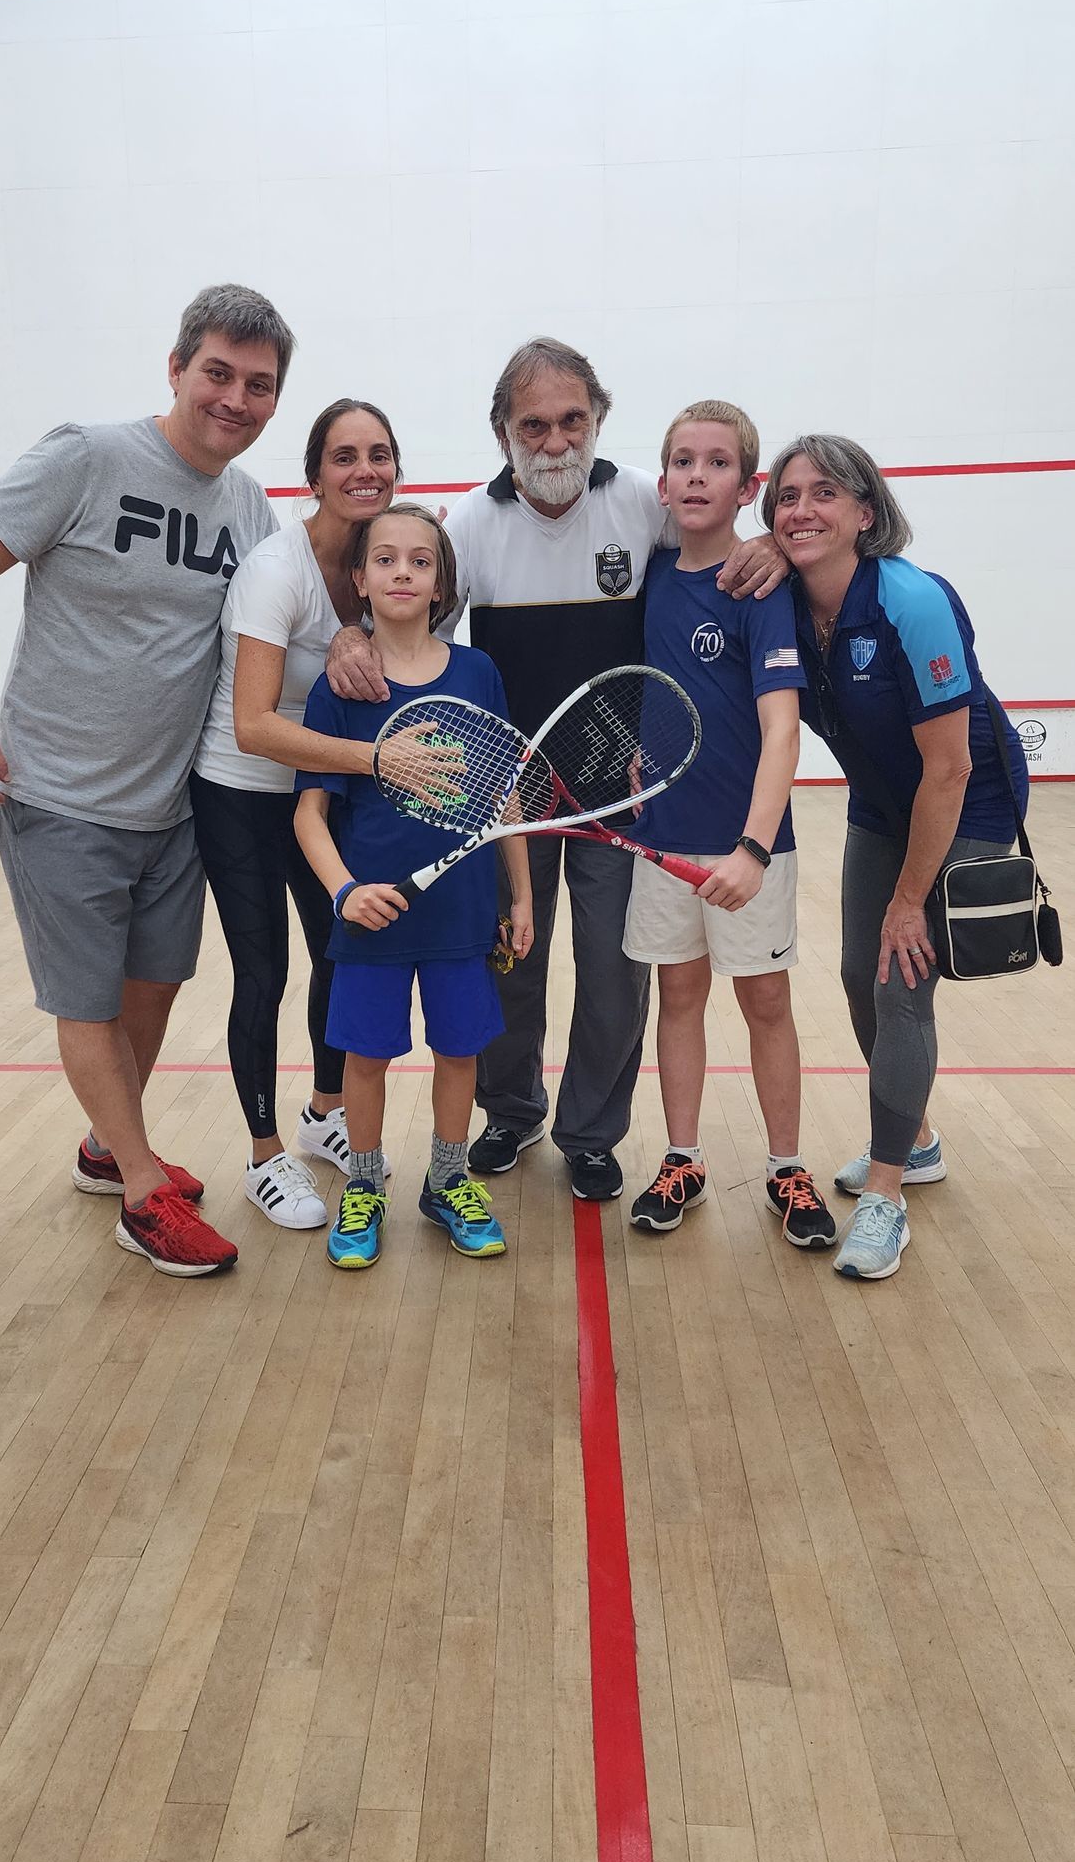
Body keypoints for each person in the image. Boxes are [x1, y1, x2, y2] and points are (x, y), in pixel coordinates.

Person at [325, 338, 787, 1204]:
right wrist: (350, 632)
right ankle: (508, 1111)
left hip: (624, 797)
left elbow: (716, 528)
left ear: (599, 420)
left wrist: (776, 551)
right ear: (502, 433)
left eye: (572, 420)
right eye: (532, 425)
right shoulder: (469, 524)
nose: (554, 442)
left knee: (616, 971)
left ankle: (591, 1133)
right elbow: (398, 592)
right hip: (508, 799)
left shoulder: (640, 504)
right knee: (509, 957)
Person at [0, 283, 295, 1279]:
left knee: (152, 988)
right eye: (217, 372)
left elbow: (284, 622)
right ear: (176, 368)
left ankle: (105, 1141)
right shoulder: (87, 457)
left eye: (257, 384)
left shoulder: (249, 505)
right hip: (57, 797)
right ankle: (141, 1189)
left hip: (172, 808)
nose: (234, 397)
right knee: (87, 1003)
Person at [762, 434, 1028, 1280]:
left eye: (823, 494)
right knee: (854, 973)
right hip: (882, 803)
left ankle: (886, 1197)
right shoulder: (787, 605)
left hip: (967, 800)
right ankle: (914, 1140)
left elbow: (949, 769)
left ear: (865, 513)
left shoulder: (913, 600)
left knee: (899, 978)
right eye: (787, 496)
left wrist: (911, 900)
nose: (801, 510)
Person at [294, 504, 533, 1270]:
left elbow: (505, 795)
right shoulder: (341, 683)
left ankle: (446, 1179)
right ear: (358, 580)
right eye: (386, 559)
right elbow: (309, 815)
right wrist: (342, 893)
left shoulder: (479, 672)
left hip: (463, 914)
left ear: (441, 585)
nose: (403, 572)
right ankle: (363, 1188)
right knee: (365, 1060)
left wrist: (520, 895)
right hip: (370, 919)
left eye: (421, 562)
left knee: (460, 1054)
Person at [623, 402, 837, 1249]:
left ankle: (787, 1167)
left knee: (766, 1004)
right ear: (665, 478)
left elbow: (781, 729)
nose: (696, 477)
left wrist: (754, 847)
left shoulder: (760, 587)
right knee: (678, 997)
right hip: (661, 838)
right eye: (682, 462)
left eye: (717, 464)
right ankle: (683, 1158)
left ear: (747, 486)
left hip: (752, 848)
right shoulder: (649, 577)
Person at [190, 400, 404, 1230]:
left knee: (340, 955)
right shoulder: (278, 570)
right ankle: (264, 1154)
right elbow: (254, 724)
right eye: (344, 456)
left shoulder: (382, 562)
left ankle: (323, 1113)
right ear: (315, 475)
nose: (364, 470)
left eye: (379, 454)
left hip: (316, 794)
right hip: (241, 790)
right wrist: (375, 762)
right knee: (264, 970)